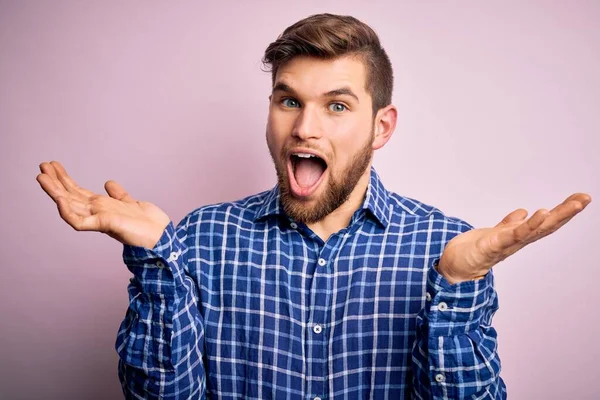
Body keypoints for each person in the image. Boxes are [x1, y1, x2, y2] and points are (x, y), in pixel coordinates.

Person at [36, 13, 591, 400]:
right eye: (289, 101)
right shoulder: (200, 240)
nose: (304, 127)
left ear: (382, 127)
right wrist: (158, 260)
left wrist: (456, 289)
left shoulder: (446, 249)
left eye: (338, 105)